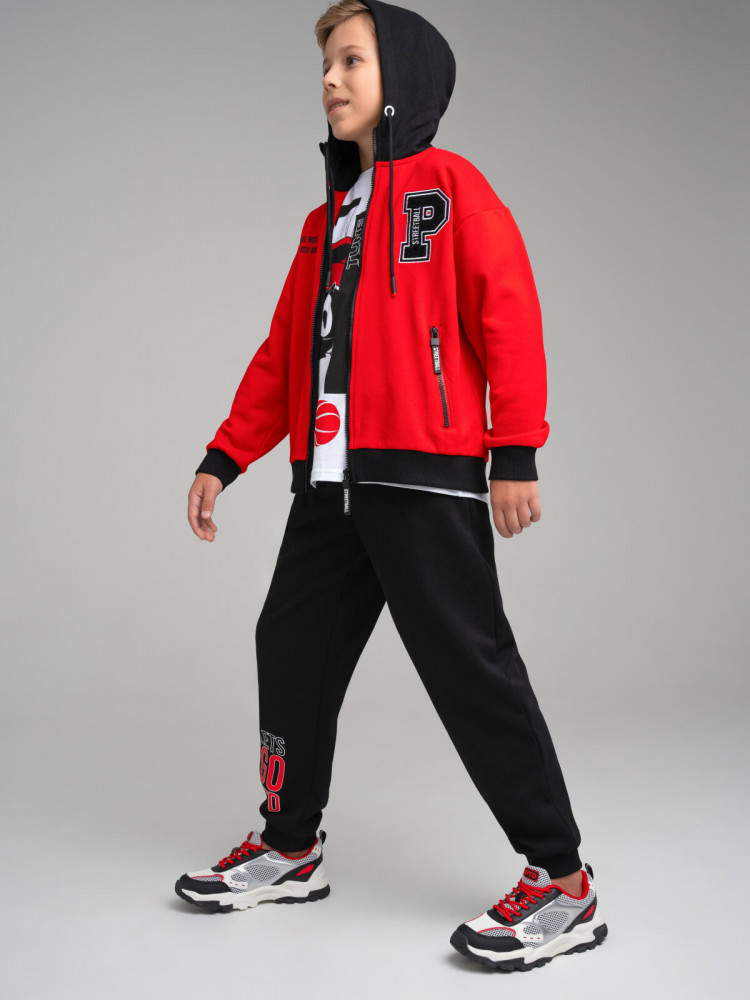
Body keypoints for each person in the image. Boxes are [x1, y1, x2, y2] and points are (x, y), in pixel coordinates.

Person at [175, 0, 608, 973]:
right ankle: (290, 845)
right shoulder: (323, 222)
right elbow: (284, 356)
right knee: (288, 642)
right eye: (326, 66)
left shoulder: (448, 190)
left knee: (467, 665)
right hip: (331, 484)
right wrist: (225, 455)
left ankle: (562, 881)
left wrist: (514, 449)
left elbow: (508, 309)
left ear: (400, 76)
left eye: (352, 61)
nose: (331, 81)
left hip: (426, 475)